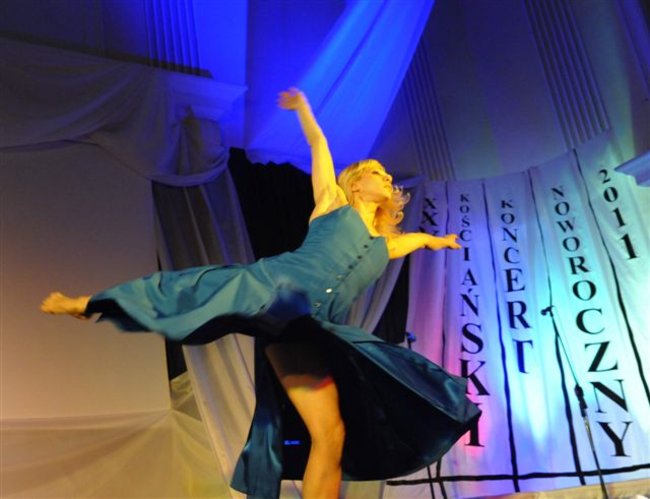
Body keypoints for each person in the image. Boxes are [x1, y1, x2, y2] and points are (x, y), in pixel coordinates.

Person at [41, 88, 481, 499]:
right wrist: (304, 110)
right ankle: (94, 303)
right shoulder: (331, 203)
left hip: (309, 332)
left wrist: (439, 241)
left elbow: (417, 240)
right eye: (376, 173)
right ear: (356, 183)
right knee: (196, 288)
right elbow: (319, 144)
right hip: (277, 289)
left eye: (386, 175)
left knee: (332, 433)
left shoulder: (387, 244)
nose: (386, 178)